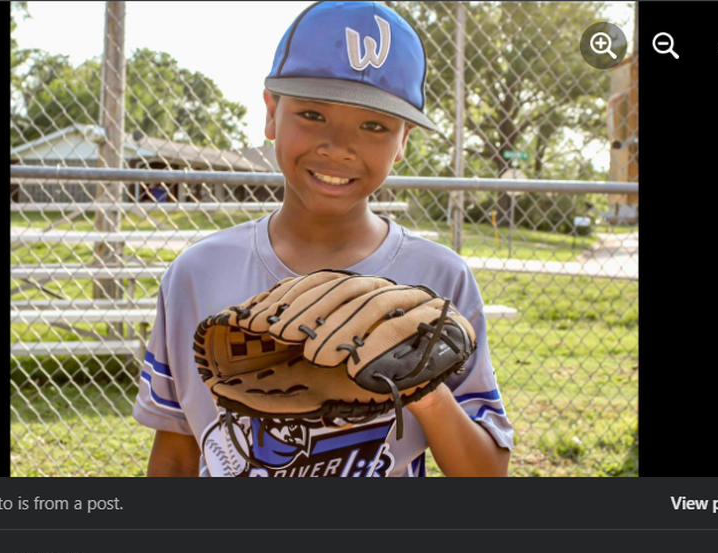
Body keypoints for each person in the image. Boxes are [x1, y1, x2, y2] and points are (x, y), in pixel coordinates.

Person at [134, 1, 513, 477]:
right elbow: (174, 458)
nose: (338, 147)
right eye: (312, 113)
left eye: (374, 125)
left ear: (404, 140)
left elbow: (488, 474)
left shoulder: (440, 279)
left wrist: (424, 389)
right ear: (271, 112)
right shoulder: (197, 274)